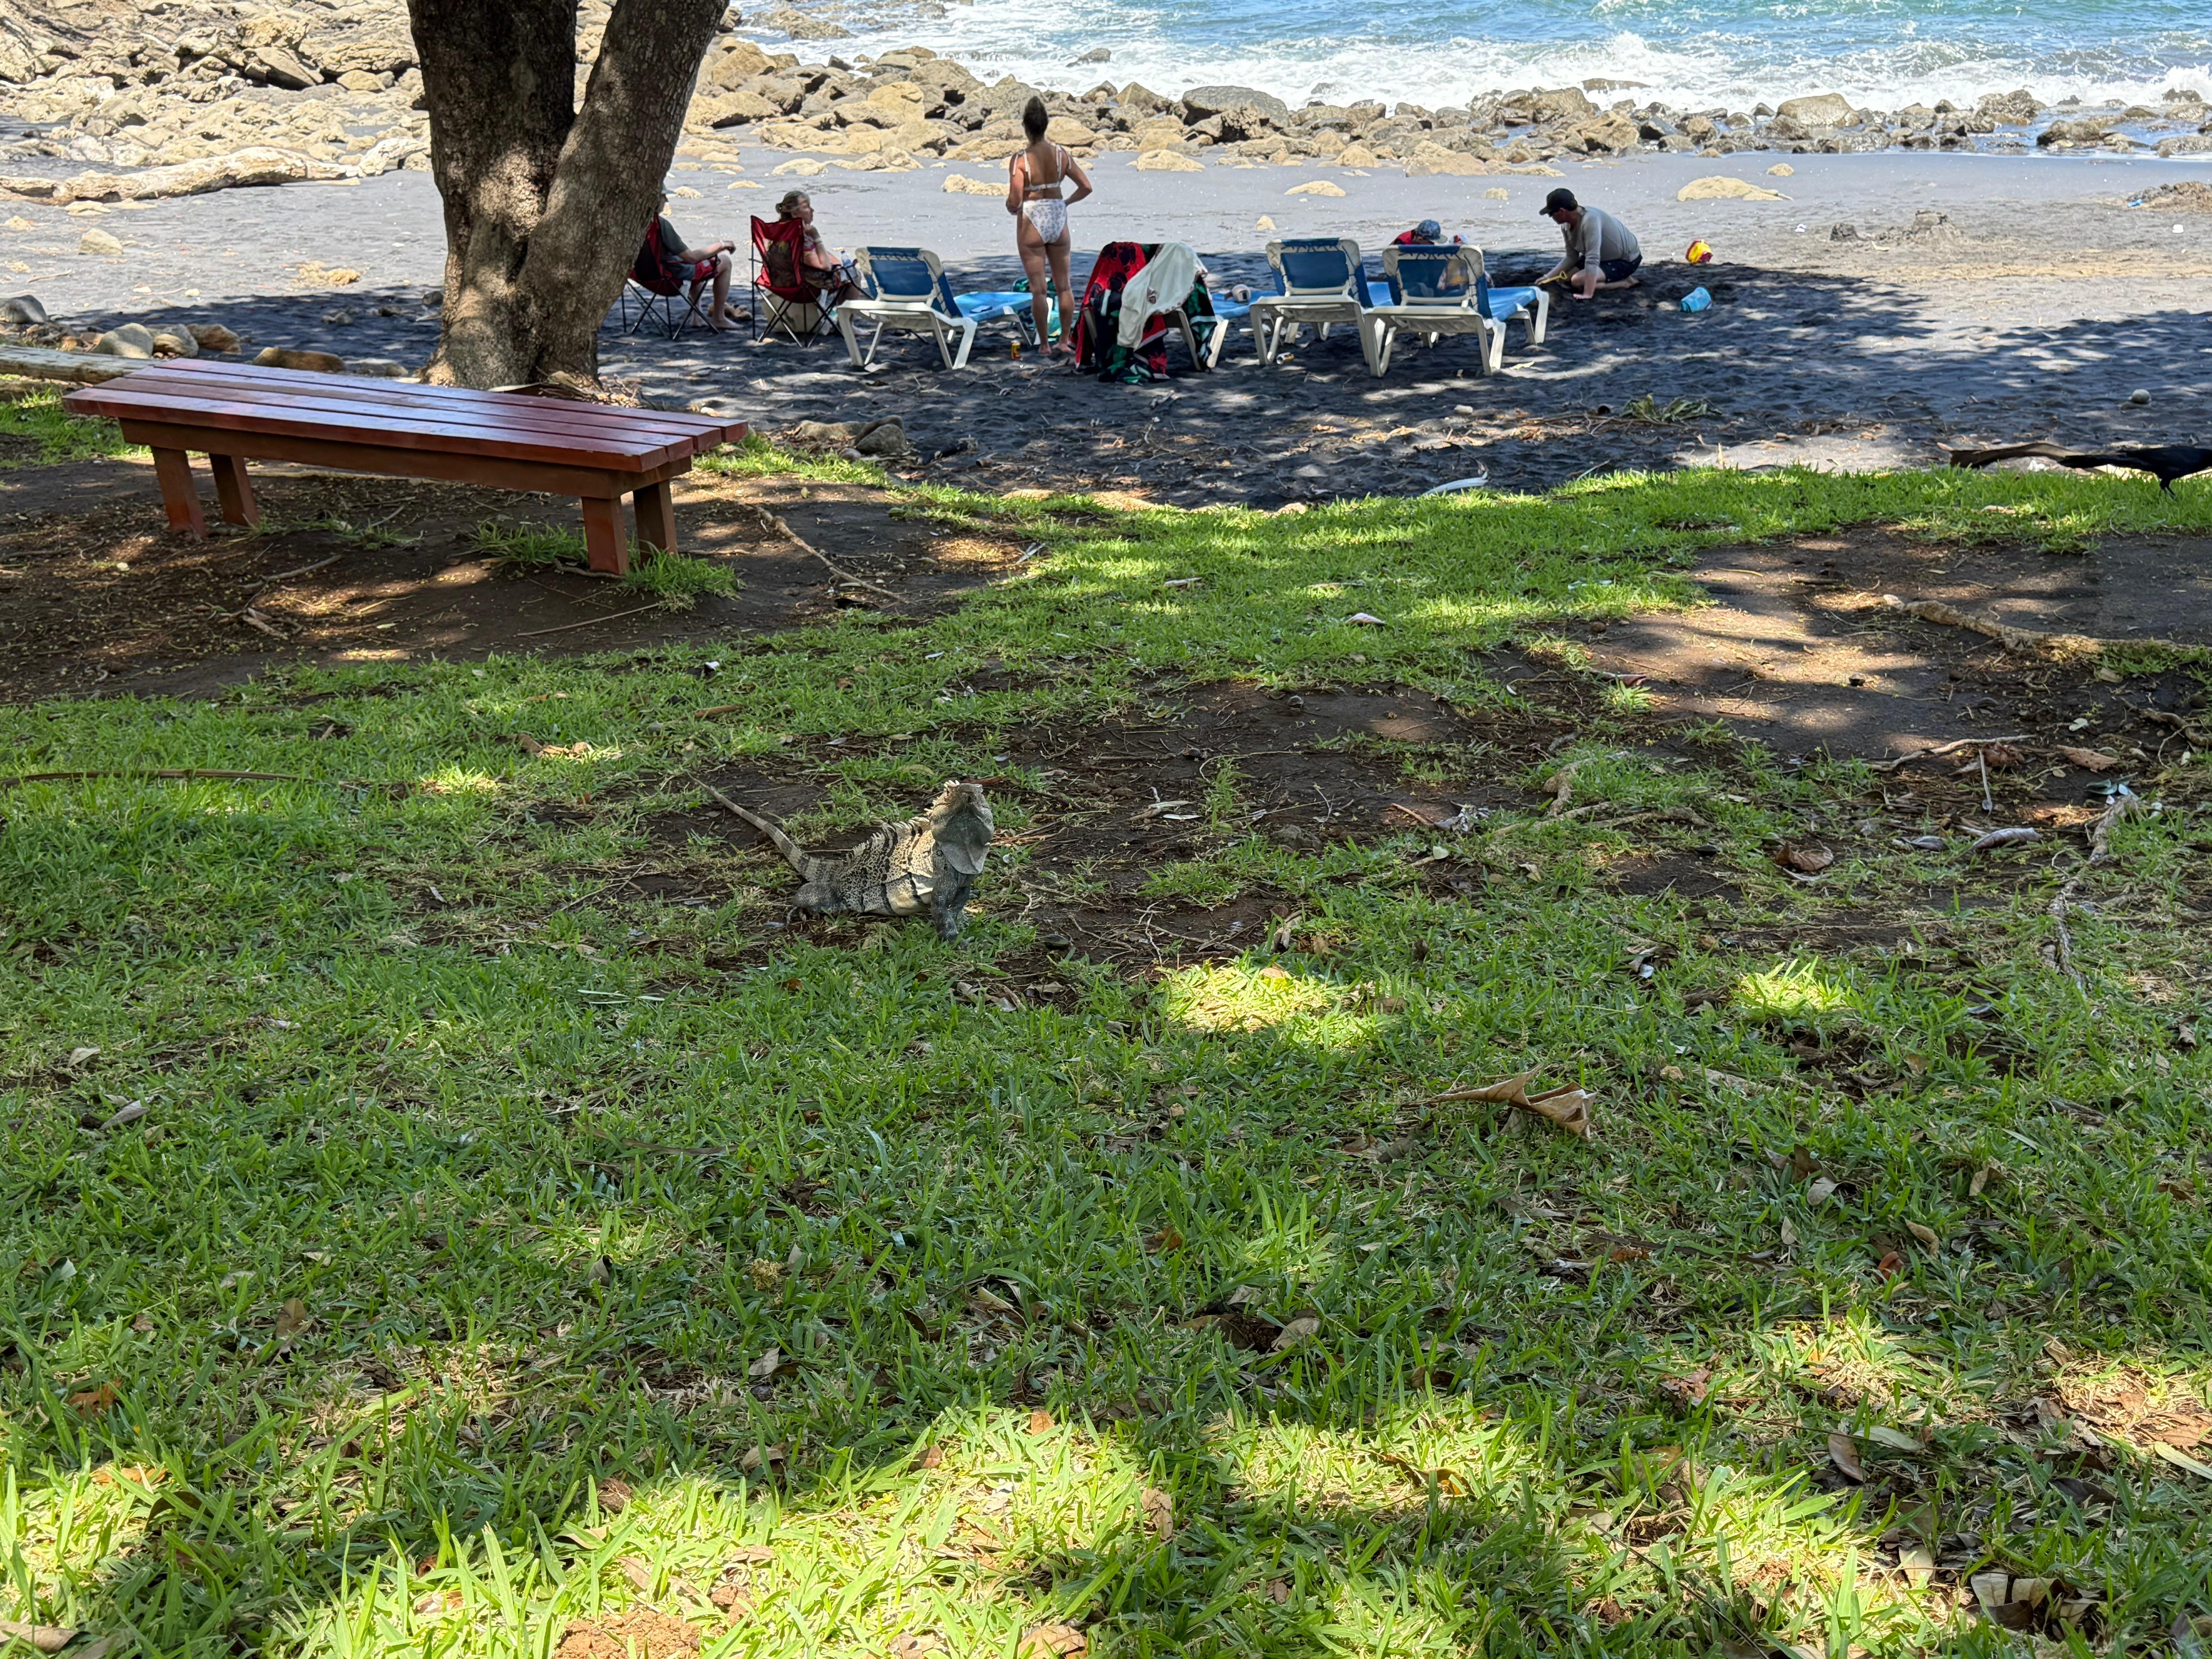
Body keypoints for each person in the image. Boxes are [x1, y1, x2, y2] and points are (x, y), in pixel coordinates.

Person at [1005, 95, 1092, 355]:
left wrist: (1012, 207)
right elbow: (1086, 187)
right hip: (1056, 213)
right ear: (1045, 125)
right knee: (1064, 285)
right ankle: (1064, 341)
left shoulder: (1020, 160)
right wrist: (1066, 203)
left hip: (1032, 216)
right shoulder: (1061, 155)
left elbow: (1015, 198)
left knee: (1039, 289)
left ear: (1026, 127)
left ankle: (1044, 345)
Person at [638, 193, 737, 330]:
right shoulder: (659, 225)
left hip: (644, 279)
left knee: (698, 267)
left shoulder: (631, 225)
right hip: (670, 281)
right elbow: (691, 258)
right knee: (724, 262)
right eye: (663, 196)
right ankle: (719, 318)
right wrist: (722, 246)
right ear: (654, 199)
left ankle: (697, 317)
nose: (666, 200)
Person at [1536, 187, 1642, 299]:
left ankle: (1625, 283)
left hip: (1626, 260)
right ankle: (1609, 278)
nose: (1551, 217)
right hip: (1604, 258)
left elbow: (1592, 259)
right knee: (1563, 279)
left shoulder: (1590, 220)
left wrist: (1588, 294)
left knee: (1577, 281)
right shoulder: (1566, 226)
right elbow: (1571, 257)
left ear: (1562, 211)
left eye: (1551, 214)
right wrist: (1547, 277)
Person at [774, 189, 859, 306]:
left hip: (781, 285)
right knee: (854, 275)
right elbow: (825, 267)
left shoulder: (778, 233)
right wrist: (817, 238)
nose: (812, 210)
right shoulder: (801, 239)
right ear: (794, 214)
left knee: (844, 271)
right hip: (805, 290)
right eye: (806, 207)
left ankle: (841, 317)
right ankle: (845, 321)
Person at [1392, 218, 1460, 247]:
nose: (1433, 245)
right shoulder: (1401, 244)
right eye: (1431, 242)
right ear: (1421, 239)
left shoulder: (1419, 240)